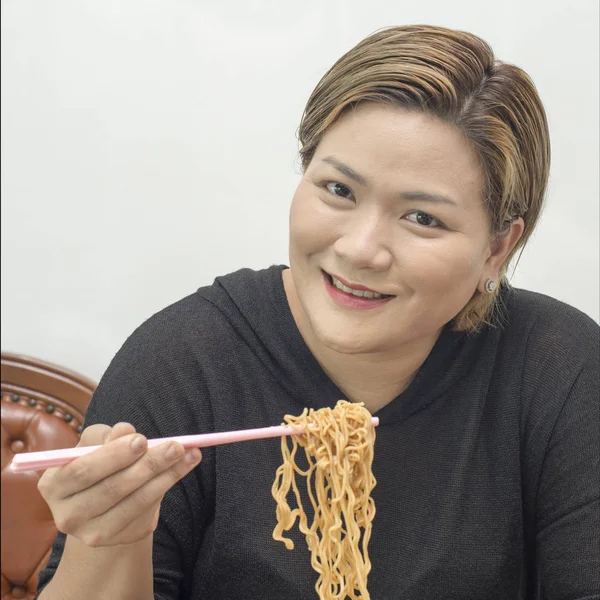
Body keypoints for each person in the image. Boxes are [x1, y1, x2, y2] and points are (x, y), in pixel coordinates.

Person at [35, 25, 598, 600]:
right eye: (338, 189)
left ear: (497, 248)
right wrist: (109, 541)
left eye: (423, 218)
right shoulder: (183, 360)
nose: (359, 248)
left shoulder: (557, 367)